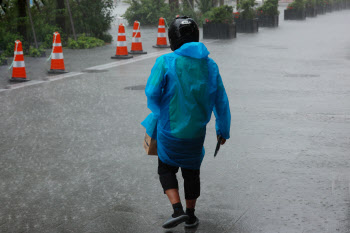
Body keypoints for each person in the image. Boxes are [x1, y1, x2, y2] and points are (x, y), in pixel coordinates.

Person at [142, 16, 231, 229]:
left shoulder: (165, 62)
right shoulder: (210, 66)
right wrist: (223, 130)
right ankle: (191, 216)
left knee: (166, 169)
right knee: (191, 173)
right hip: (195, 134)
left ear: (172, 38)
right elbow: (221, 100)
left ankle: (177, 210)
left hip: (169, 131)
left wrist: (159, 111)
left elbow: (152, 92)